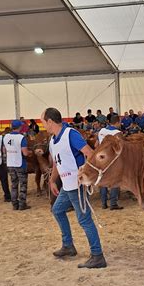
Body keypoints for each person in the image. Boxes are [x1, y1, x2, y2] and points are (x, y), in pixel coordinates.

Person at [41, 107, 107, 268]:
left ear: (50, 121)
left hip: (77, 186)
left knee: (84, 220)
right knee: (57, 210)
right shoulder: (53, 140)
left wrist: (85, 173)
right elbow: (57, 162)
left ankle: (98, 255)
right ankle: (68, 246)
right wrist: (52, 180)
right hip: (67, 185)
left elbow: (90, 153)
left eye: (43, 122)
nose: (43, 125)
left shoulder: (70, 134)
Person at [97, 115, 124, 211]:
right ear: (117, 122)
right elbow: (121, 149)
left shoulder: (101, 131)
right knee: (115, 180)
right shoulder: (118, 133)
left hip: (101, 159)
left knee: (103, 180)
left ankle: (103, 203)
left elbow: (97, 144)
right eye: (119, 122)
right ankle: (113, 203)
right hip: (113, 160)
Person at [3, 120, 32, 210]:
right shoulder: (21, 138)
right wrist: (31, 152)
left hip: (10, 163)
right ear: (19, 127)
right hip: (20, 163)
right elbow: (25, 153)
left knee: (14, 184)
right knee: (23, 184)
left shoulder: (6, 137)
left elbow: (4, 150)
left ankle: (14, 204)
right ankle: (22, 204)